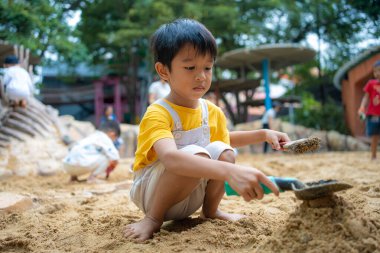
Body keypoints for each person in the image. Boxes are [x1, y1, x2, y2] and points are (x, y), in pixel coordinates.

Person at [124, 18, 291, 242]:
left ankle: (211, 211)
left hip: (191, 193)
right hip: (153, 194)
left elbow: (223, 138)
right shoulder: (158, 112)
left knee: (224, 151)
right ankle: (152, 219)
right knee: (197, 152)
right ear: (163, 71)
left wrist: (263, 134)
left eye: (207, 67)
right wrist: (230, 173)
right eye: (190, 67)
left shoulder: (211, 111)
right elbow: (172, 158)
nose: (201, 76)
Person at [358, 60, 380, 160]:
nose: (377, 73)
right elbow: (366, 97)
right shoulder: (371, 84)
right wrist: (362, 106)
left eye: (379, 71)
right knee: (374, 136)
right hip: (373, 115)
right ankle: (373, 156)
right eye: (375, 71)